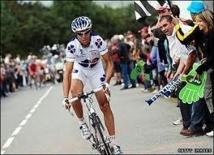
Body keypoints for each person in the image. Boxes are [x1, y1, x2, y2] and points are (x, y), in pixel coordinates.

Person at [62, 16, 123, 154]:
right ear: (75, 34)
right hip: (81, 69)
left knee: (105, 104)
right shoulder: (72, 46)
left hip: (96, 69)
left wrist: (106, 83)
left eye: (86, 32)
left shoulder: (98, 40)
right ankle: (82, 123)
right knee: (74, 94)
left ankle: (114, 144)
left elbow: (109, 63)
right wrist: (65, 97)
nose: (84, 36)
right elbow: (67, 73)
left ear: (90, 31)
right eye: (80, 34)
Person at [159, 15, 206, 136]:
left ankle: (196, 126)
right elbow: (182, 58)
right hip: (188, 69)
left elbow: (192, 54)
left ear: (171, 23)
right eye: (161, 27)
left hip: (197, 69)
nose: (163, 29)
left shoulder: (181, 33)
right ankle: (191, 124)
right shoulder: (172, 36)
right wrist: (177, 74)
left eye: (165, 25)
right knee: (185, 96)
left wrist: (184, 73)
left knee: (196, 97)